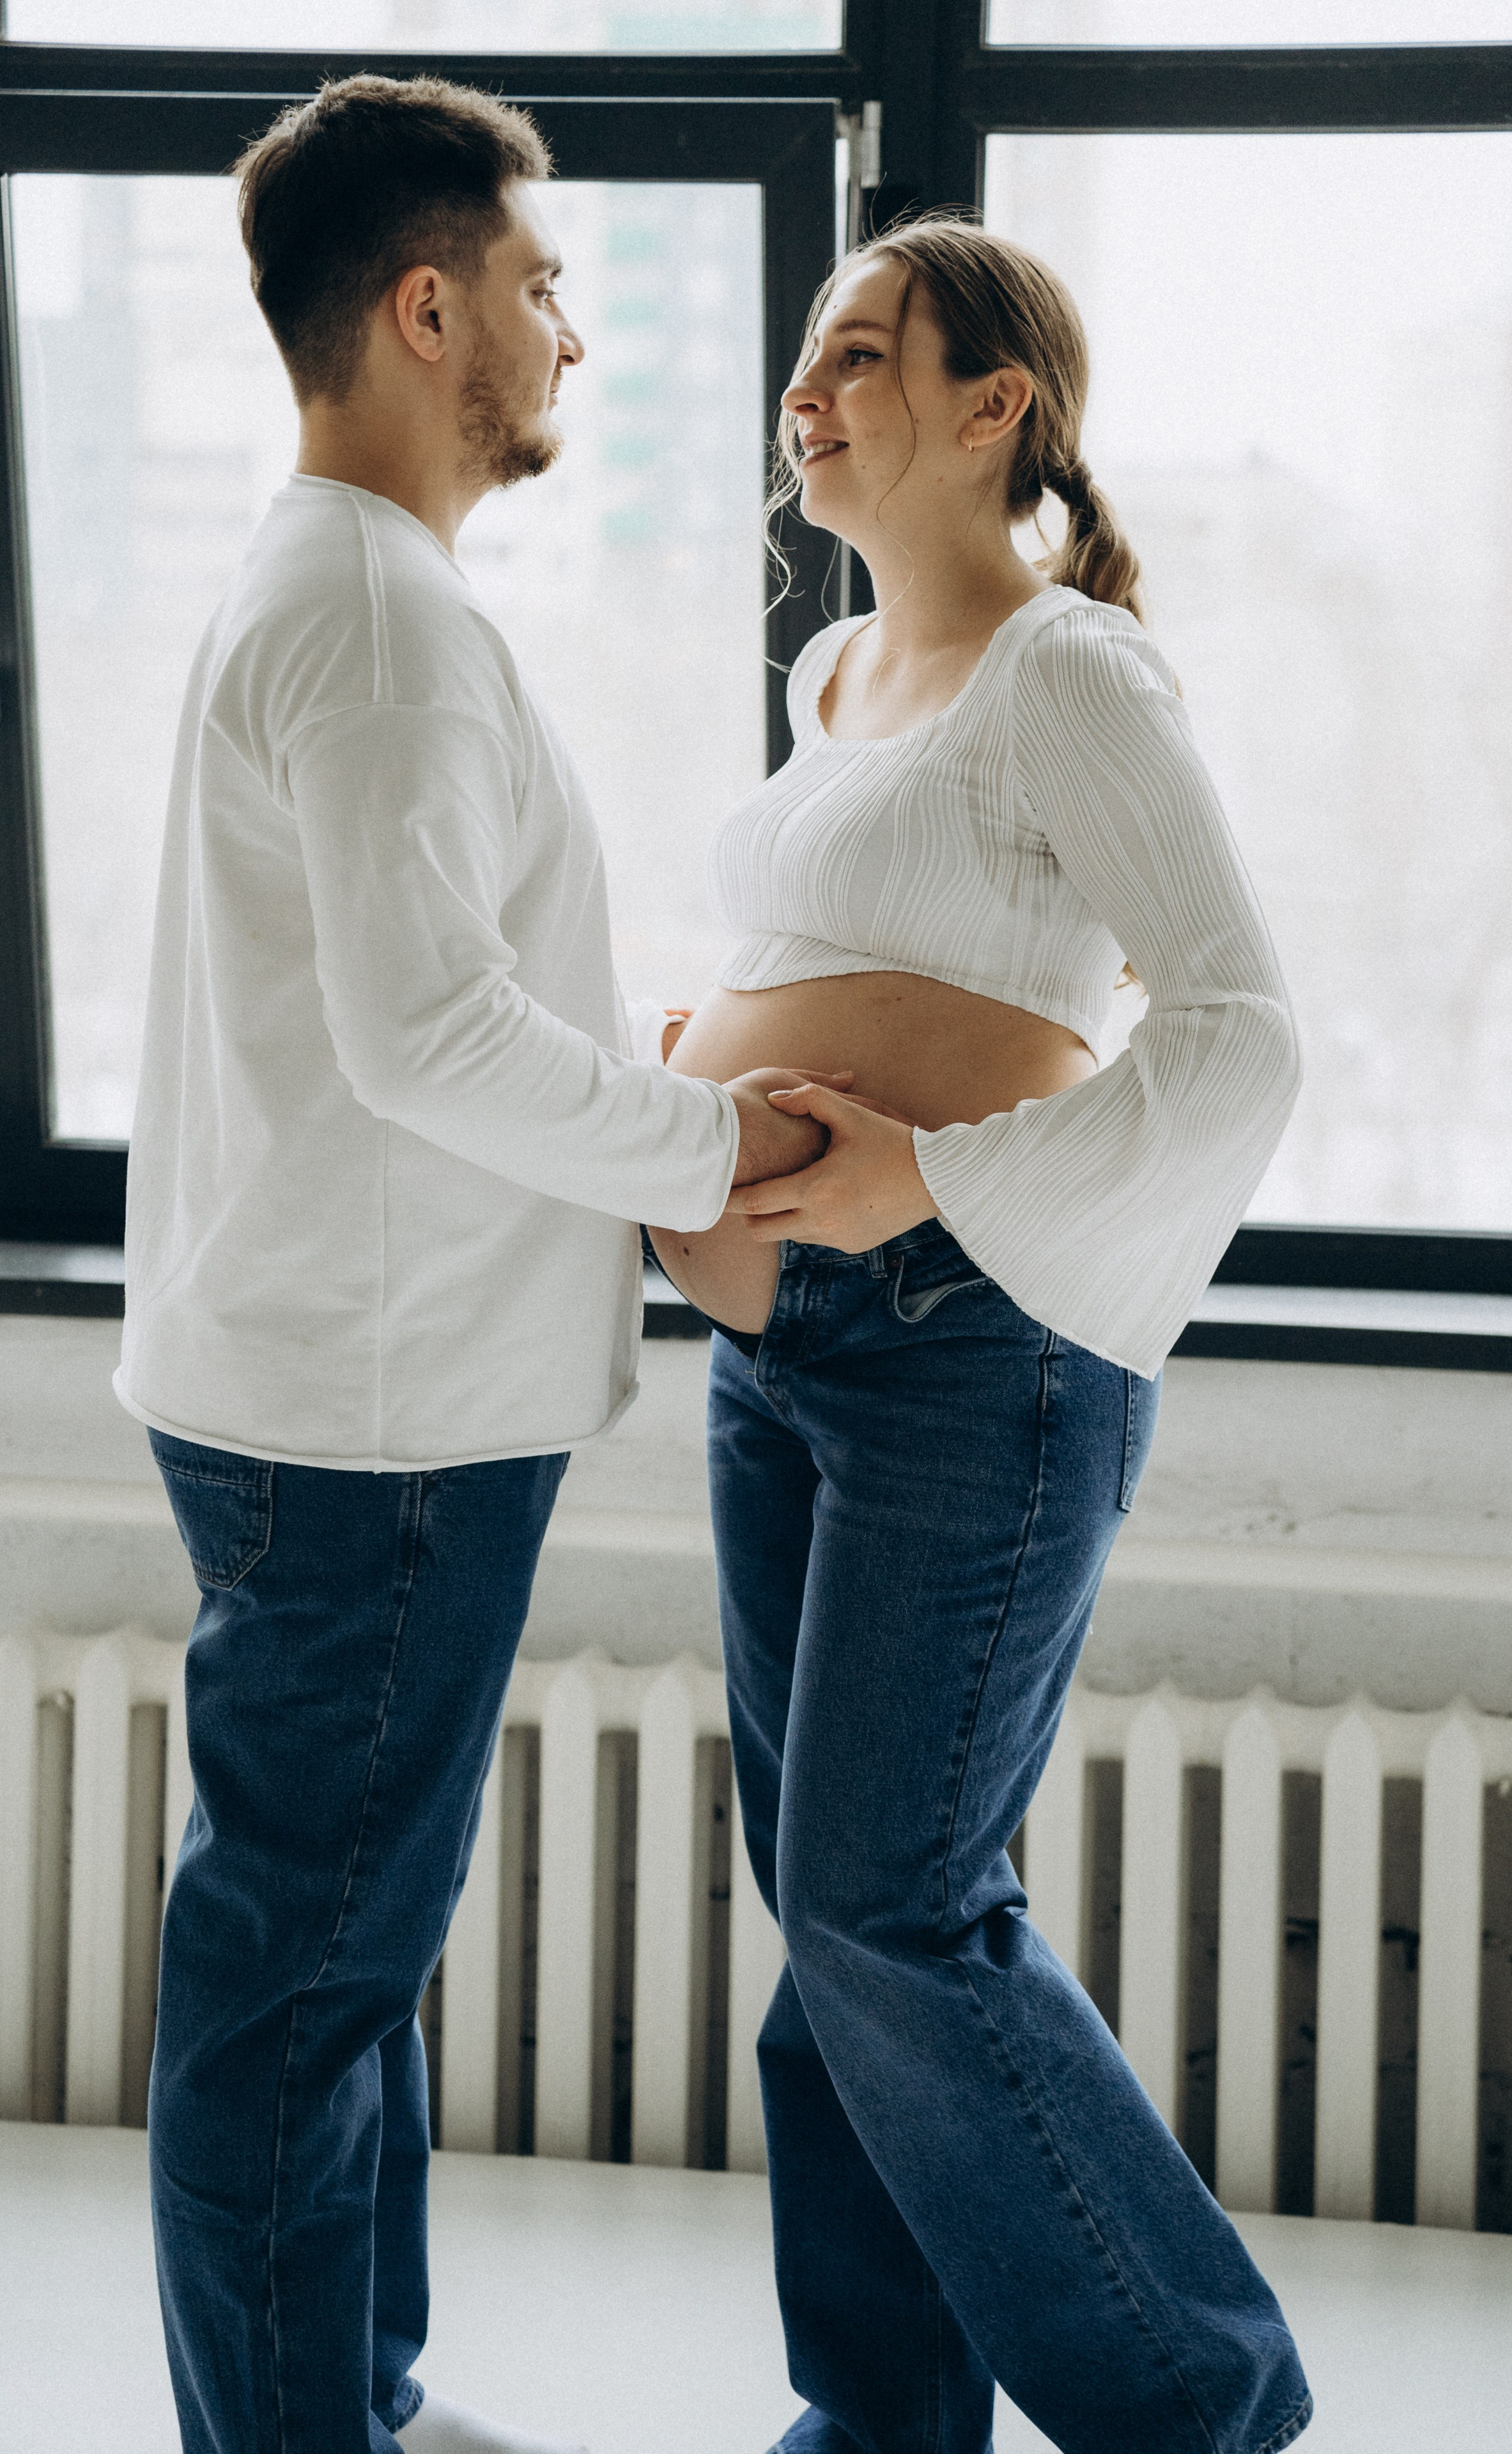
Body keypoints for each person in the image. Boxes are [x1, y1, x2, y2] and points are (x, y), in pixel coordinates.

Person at [117, 72, 835, 2454]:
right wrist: (702, 1131)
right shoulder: (381, 621)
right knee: (305, 1989)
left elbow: (402, 1008)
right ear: (426, 312)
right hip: (377, 1422)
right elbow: (427, 1037)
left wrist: (615, 1076)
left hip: (333, 1383)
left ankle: (361, 2397)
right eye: (539, 292)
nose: (570, 342)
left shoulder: (333, 587)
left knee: (338, 1965)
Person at [649, 220, 1312, 2453]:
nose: (801, 391)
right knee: (828, 1929)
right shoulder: (838, 680)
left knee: (890, 1903)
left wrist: (922, 1176)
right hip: (779, 1360)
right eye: (802, 362)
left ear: (989, 401)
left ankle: (1200, 2408)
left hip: (975, 1354)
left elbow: (1240, 1038)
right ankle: (883, 2419)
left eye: (855, 353)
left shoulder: (1073, 677)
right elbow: (858, 965)